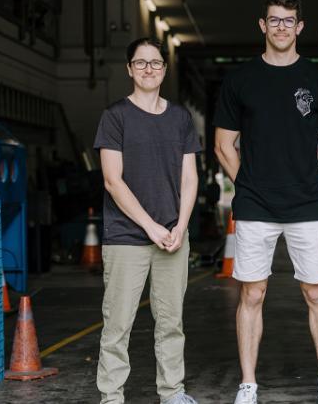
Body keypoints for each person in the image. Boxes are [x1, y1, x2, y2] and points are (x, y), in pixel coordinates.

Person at [213, 0, 318, 404]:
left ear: (300, 27)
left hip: (305, 205)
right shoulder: (240, 80)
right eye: (275, 20)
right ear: (262, 25)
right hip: (255, 206)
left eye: (289, 21)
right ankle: (248, 385)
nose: (281, 27)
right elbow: (223, 145)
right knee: (252, 293)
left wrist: (312, 183)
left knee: (316, 292)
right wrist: (249, 184)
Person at [93, 37, 201, 404]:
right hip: (127, 237)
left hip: (173, 235)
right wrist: (150, 227)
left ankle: (172, 392)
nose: (149, 69)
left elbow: (190, 177)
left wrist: (181, 226)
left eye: (155, 63)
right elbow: (112, 180)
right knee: (118, 323)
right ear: (129, 69)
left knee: (171, 323)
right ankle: (111, 397)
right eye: (141, 63)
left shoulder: (180, 118)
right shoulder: (115, 117)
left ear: (164, 69)